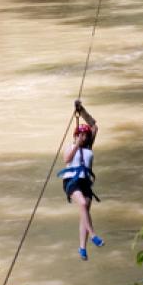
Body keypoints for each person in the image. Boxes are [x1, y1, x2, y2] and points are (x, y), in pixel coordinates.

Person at [58, 99, 104, 260]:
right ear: (77, 136)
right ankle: (93, 235)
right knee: (83, 204)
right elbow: (66, 160)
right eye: (81, 135)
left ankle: (82, 248)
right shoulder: (71, 147)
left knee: (85, 212)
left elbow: (94, 126)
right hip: (71, 181)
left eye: (86, 135)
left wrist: (81, 110)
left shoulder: (89, 147)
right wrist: (76, 144)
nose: (84, 137)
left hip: (85, 183)